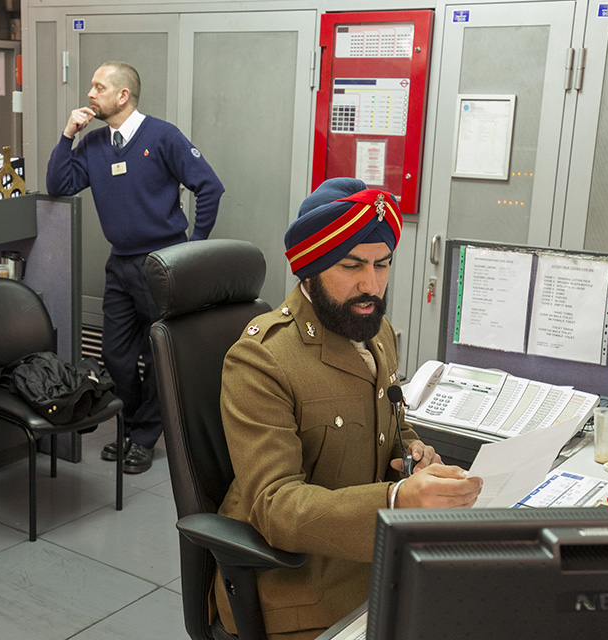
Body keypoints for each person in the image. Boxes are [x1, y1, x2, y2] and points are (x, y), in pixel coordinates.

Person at [215, 178, 483, 639]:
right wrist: (397, 499)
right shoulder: (261, 358)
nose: (371, 285)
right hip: (300, 588)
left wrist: (415, 453)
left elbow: (392, 425)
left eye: (383, 265)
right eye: (351, 265)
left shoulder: (376, 333)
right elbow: (275, 506)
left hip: (378, 559)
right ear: (309, 271)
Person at [46, 61, 225, 473]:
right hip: (120, 265)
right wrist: (67, 135)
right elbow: (59, 184)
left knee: (161, 354)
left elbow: (209, 186)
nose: (90, 94)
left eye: (98, 87)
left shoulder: (163, 136)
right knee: (117, 355)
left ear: (122, 95)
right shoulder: (92, 144)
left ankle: (142, 437)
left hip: (164, 264)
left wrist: (194, 248)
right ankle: (133, 427)